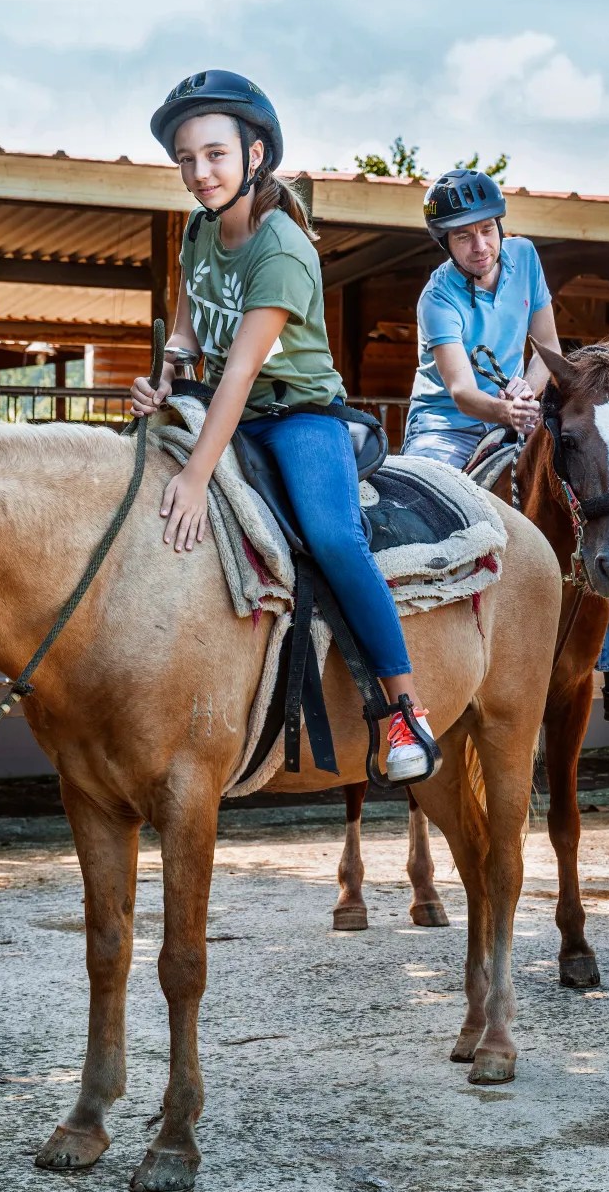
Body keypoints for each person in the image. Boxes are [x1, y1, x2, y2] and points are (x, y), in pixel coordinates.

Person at [131, 69, 433, 782]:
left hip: (295, 416)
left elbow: (241, 373)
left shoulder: (283, 248)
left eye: (214, 154)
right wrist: (165, 377)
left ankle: (404, 709)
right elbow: (188, 333)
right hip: (216, 403)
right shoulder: (198, 231)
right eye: (186, 159)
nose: (199, 173)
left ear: (255, 154)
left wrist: (197, 476)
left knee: (332, 538)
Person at [402, 168, 609, 720]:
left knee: (591, 504)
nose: (480, 245)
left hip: (518, 408)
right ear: (445, 244)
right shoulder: (436, 298)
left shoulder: (525, 257)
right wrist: (505, 409)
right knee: (420, 519)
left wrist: (526, 392)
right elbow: (459, 391)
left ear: (501, 227)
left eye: (487, 230)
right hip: (446, 425)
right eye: (463, 236)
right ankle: (415, 663)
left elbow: (546, 344)